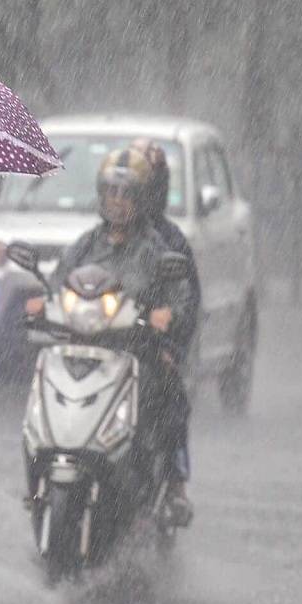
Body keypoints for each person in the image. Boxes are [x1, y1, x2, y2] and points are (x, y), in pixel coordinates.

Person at [25, 147, 196, 526]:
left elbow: (181, 298)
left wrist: (166, 315)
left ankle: (170, 486)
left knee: (168, 396)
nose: (117, 202)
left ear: (141, 199)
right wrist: (43, 302)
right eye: (110, 192)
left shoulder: (156, 249)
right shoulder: (85, 245)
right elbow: (57, 283)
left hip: (133, 353)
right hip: (80, 350)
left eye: (126, 194)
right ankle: (40, 472)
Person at [128, 138, 201, 525]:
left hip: (151, 351)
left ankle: (175, 485)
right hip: (106, 346)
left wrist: (169, 339)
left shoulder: (171, 242)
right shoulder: (104, 236)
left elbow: (188, 304)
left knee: (173, 403)